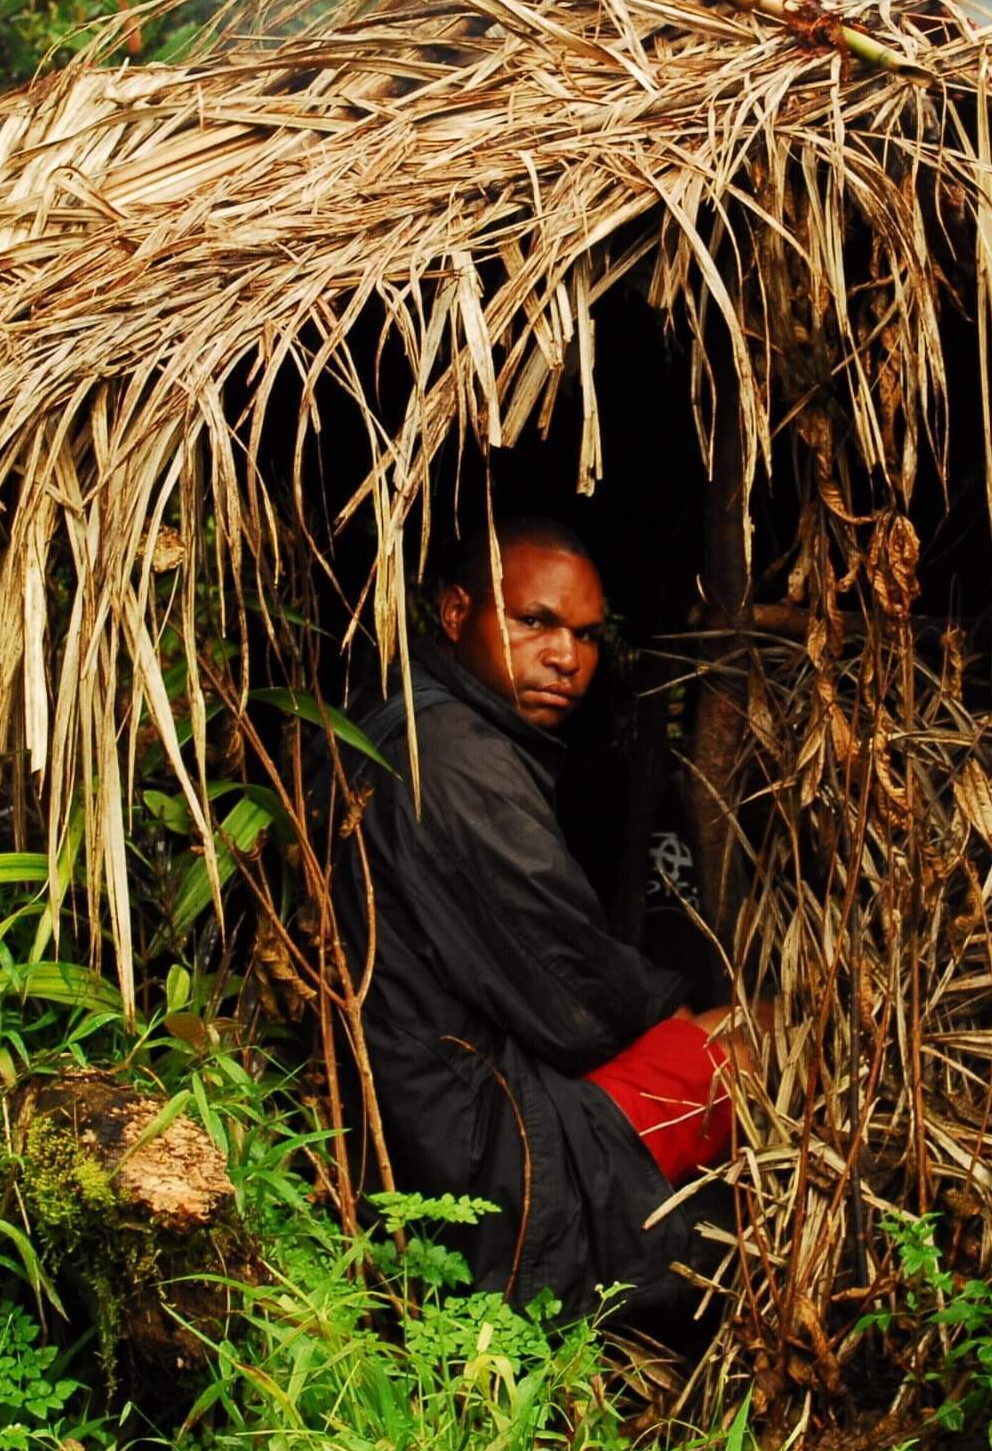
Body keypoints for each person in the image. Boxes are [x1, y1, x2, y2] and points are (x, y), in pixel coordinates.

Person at [323, 515, 759, 1320]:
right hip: (482, 1154)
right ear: (457, 614)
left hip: (415, 1120)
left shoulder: (399, 718)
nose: (566, 657)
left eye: (588, 635)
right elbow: (578, 998)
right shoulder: (461, 760)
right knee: (756, 1039)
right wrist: (683, 1014)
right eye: (535, 622)